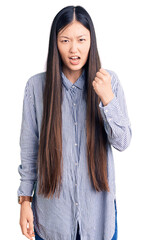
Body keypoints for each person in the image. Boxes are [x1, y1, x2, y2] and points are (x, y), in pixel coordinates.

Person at [17, 5, 132, 240]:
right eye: (65, 40)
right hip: (52, 218)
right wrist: (25, 201)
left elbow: (122, 142)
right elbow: (29, 150)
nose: (74, 49)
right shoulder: (36, 88)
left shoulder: (109, 83)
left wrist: (107, 99)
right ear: (55, 43)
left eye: (81, 39)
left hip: (98, 219)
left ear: (91, 41)